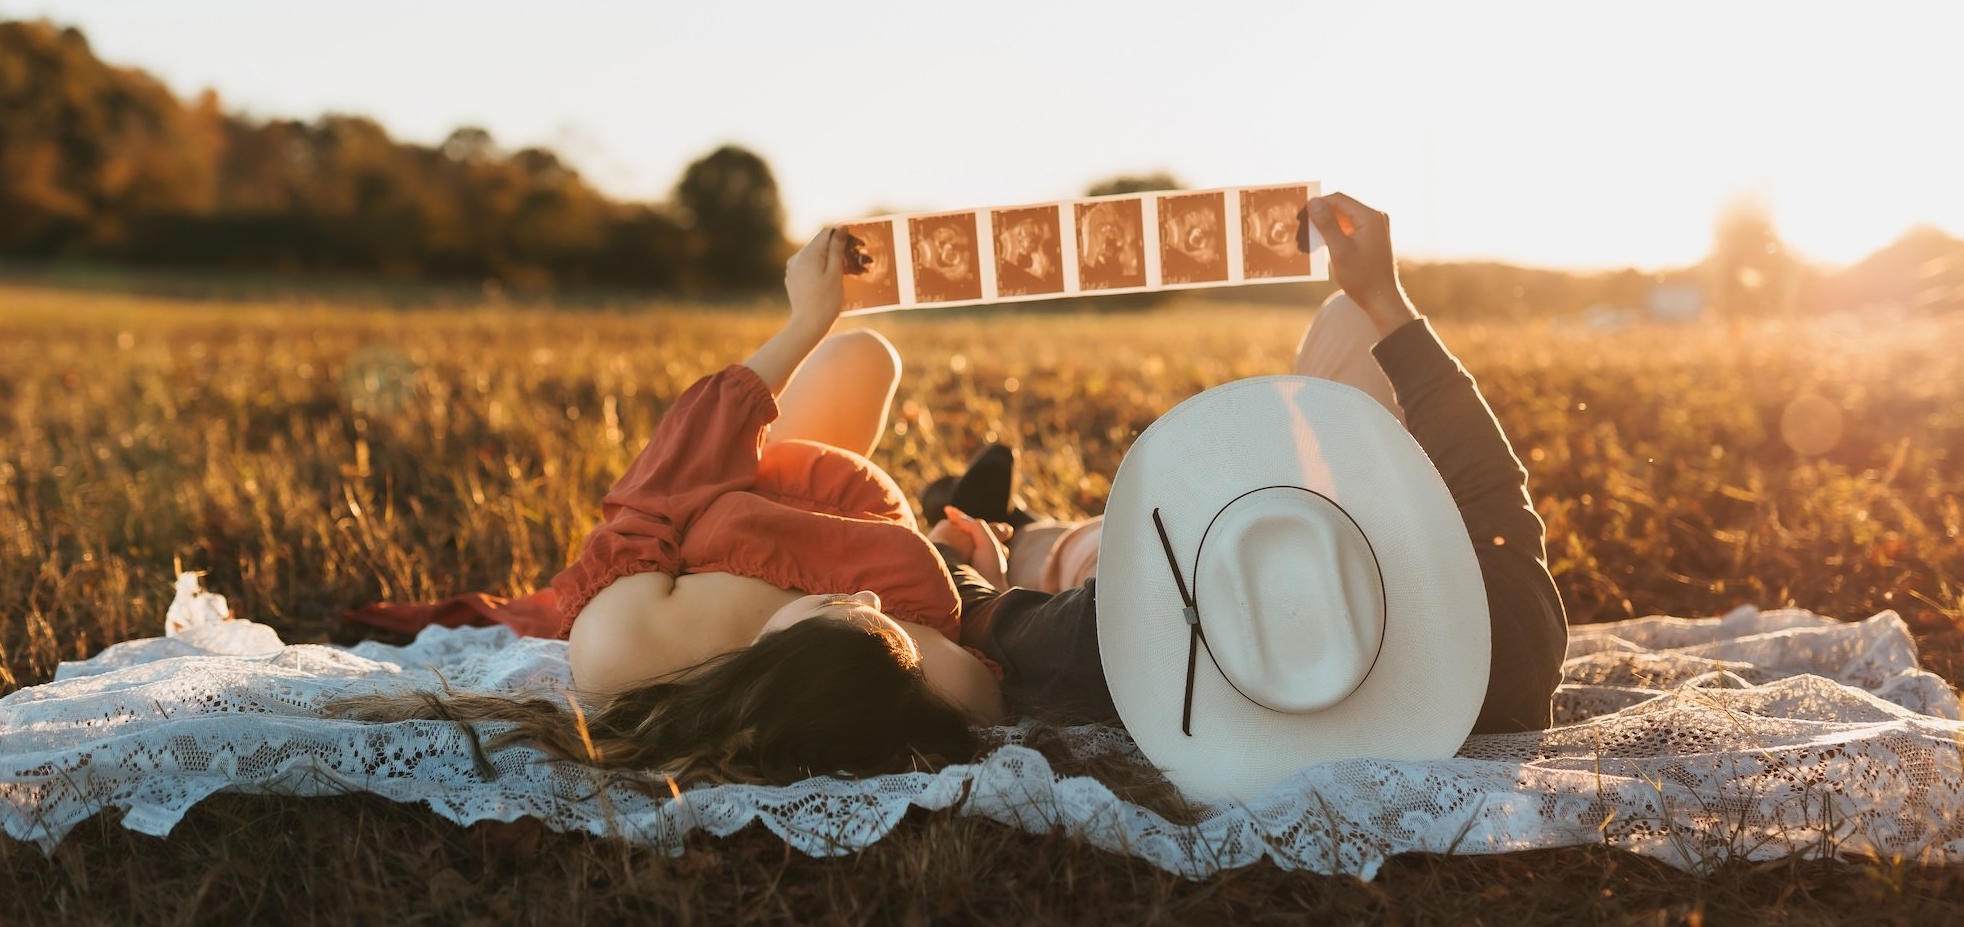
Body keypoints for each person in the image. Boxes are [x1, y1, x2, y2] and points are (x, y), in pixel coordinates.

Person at [332, 225, 1002, 790]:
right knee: (869, 358)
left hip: (752, 485)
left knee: (855, 352)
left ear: (775, 662)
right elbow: (982, 661)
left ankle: (954, 505)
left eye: (846, 608)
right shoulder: (927, 687)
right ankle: (965, 512)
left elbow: (659, 491)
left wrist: (806, 322)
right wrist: (982, 574)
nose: (866, 598)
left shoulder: (631, 652)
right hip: (864, 509)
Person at [922, 192, 1570, 737]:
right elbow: (1487, 479)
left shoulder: (1113, 642)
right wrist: (1384, 296)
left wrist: (953, 554)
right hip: (1361, 598)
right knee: (1354, 316)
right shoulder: (1510, 636)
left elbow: (1004, 619)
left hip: (1114, 582)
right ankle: (1014, 520)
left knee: (1081, 553)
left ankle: (1014, 523)